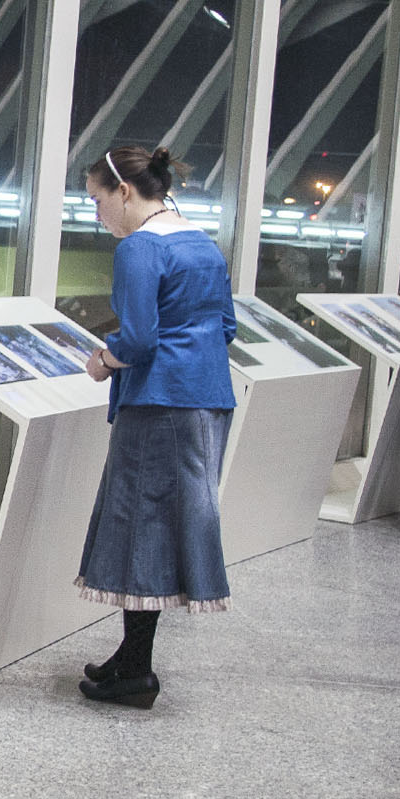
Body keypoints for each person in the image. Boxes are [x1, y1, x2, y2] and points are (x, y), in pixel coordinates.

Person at [72, 145, 237, 710]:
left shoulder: (140, 250)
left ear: (123, 191)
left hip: (158, 404)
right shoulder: (201, 243)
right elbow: (227, 327)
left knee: (141, 524)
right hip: (206, 399)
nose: (96, 213)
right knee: (166, 523)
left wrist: (104, 361)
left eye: (96, 200)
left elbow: (139, 340)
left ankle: (137, 672)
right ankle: (129, 656)